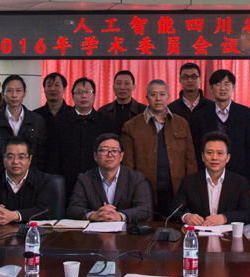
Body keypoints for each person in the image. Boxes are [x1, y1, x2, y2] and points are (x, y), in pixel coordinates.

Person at [121, 80, 197, 215]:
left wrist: (191, 191)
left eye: (162, 94)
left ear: (168, 97)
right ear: (146, 98)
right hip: (144, 191)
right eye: (153, 94)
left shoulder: (181, 123)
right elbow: (128, 165)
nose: (158, 99)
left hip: (177, 190)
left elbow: (190, 161)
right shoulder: (131, 126)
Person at [189, 69, 250, 199]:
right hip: (208, 178)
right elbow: (196, 150)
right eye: (218, 84)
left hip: (239, 178)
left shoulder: (246, 114)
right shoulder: (200, 115)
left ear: (233, 87)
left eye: (227, 84)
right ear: (211, 88)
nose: (222, 88)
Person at [46, 77, 114, 203]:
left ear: (94, 96)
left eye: (88, 92)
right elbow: (52, 157)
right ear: (72, 96)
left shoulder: (106, 123)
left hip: (98, 183)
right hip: (66, 184)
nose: (83, 96)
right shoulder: (58, 122)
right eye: (79, 92)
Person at [172, 131, 250, 226]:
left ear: (228, 158)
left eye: (220, 153)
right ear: (203, 156)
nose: (214, 157)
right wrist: (186, 217)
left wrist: (224, 218)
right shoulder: (189, 182)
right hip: (199, 233)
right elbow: (173, 210)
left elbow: (248, 213)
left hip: (227, 234)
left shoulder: (240, 183)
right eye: (209, 153)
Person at [66, 133, 152, 222]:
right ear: (95, 156)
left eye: (114, 151)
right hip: (95, 229)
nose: (110, 155)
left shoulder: (135, 178)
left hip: (126, 230)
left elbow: (144, 210)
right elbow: (73, 209)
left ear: (121, 156)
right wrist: (93, 215)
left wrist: (120, 216)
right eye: (104, 150)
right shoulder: (85, 179)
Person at [0, 136, 58, 224]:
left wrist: (14, 215)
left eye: (21, 157)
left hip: (30, 231)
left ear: (30, 159)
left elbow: (44, 211)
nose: (15, 162)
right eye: (10, 157)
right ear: (3, 158)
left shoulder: (43, 181)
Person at [0, 75, 46, 180]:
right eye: (10, 91)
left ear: (25, 93)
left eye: (18, 91)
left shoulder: (37, 120)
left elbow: (41, 155)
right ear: (3, 94)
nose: (14, 95)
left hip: (31, 180)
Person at [97, 70, 147, 134]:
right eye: (119, 83)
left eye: (127, 83)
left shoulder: (144, 111)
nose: (122, 87)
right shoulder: (103, 111)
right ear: (113, 87)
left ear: (134, 87)